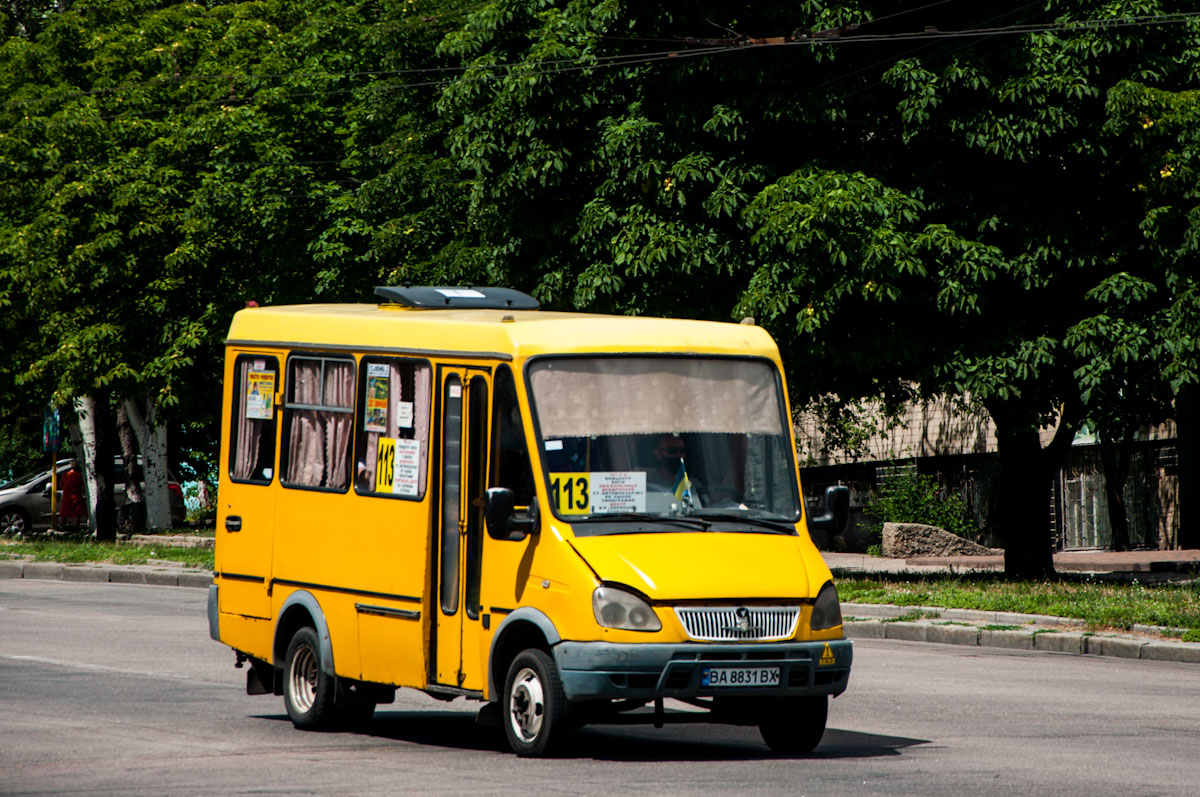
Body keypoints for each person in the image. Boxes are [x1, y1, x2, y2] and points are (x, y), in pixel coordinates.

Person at [58, 459, 86, 531]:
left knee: (63, 513)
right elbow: (82, 486)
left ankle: (61, 526)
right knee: (76, 513)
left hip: (67, 497)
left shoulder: (65, 475)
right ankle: (75, 527)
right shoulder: (80, 476)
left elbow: (61, 485)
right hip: (76, 496)